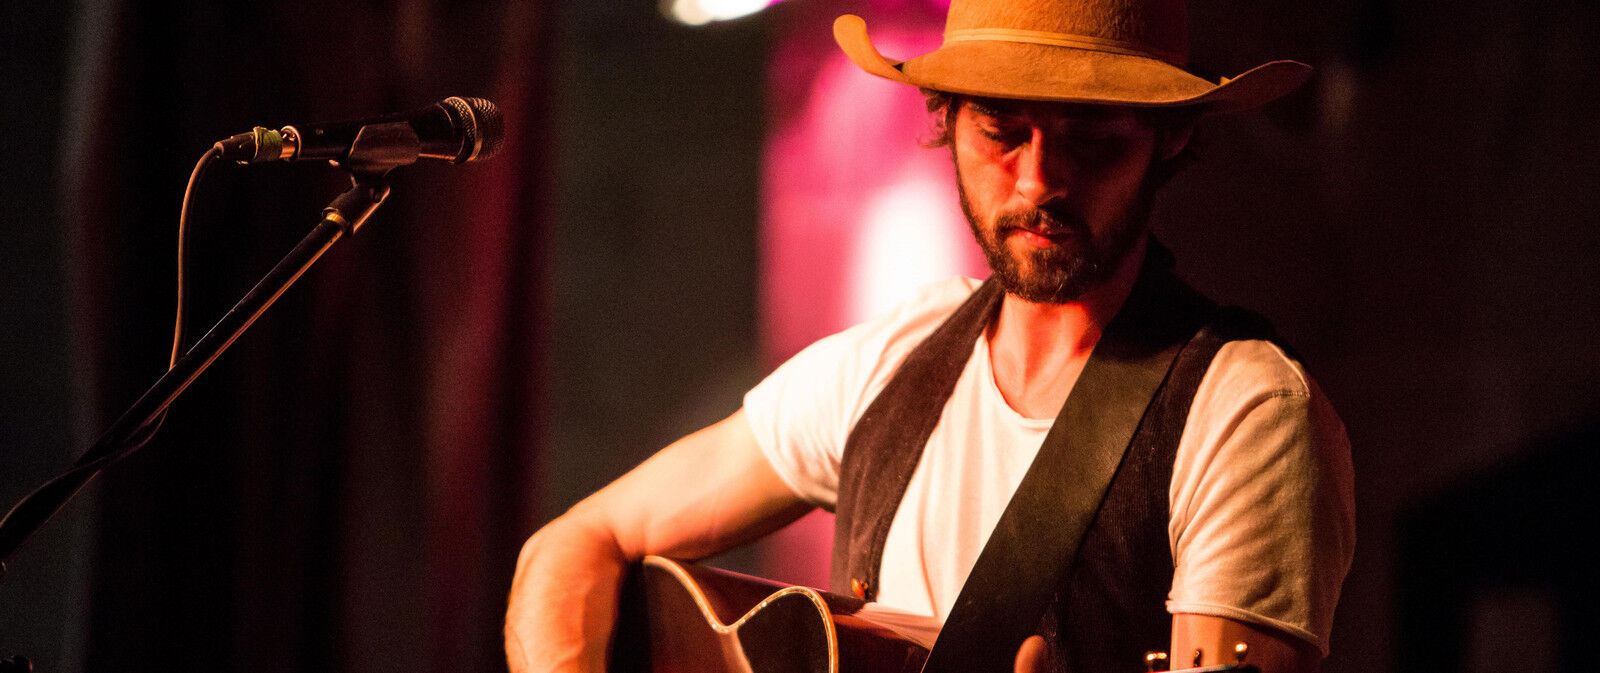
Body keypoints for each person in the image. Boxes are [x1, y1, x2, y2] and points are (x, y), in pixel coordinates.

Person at [504, 0, 1355, 671]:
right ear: (945, 118)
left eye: (1091, 142)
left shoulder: (1245, 412)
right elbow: (576, 543)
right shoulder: (893, 360)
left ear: (1172, 138)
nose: (1038, 180)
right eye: (1001, 131)